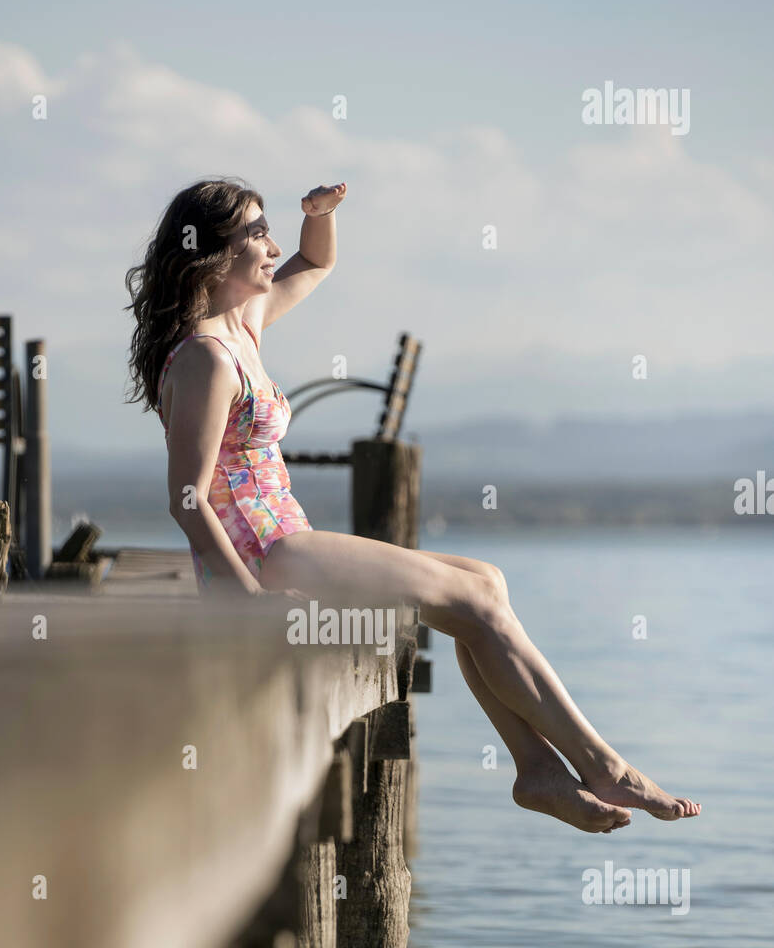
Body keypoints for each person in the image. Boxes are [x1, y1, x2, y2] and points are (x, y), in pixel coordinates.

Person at [125, 177, 701, 834]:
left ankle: (536, 768)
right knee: (478, 604)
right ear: (214, 253)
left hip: (287, 543)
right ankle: (603, 766)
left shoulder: (242, 326)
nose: (273, 244)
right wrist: (250, 599)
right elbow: (188, 498)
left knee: (487, 583)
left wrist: (322, 214)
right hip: (265, 561)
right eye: (258, 232)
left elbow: (316, 262)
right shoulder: (205, 357)